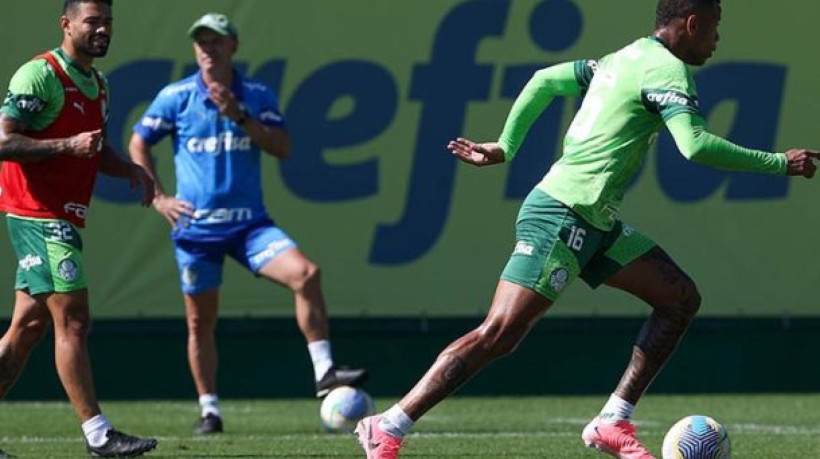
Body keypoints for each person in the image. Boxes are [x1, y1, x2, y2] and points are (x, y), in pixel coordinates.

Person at [355, 0, 819, 458]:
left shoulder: (620, 59)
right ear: (692, 23)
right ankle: (388, 425)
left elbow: (543, 81)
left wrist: (506, 145)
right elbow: (694, 146)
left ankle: (612, 422)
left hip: (594, 220)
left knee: (678, 298)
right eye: (714, 28)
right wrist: (780, 163)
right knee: (500, 332)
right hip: (561, 213)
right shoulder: (668, 72)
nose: (717, 40)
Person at [128, 13, 368, 435]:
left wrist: (239, 116)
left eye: (216, 41)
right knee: (200, 322)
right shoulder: (176, 96)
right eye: (200, 42)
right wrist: (158, 197)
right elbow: (138, 142)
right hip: (197, 232)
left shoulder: (255, 94)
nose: (208, 49)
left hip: (249, 227)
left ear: (233, 45)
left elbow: (283, 146)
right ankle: (210, 410)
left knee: (307, 274)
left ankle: (324, 372)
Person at [0, 0, 159, 457]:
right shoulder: (40, 74)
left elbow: (94, 148)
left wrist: (129, 168)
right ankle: (98, 434)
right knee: (72, 319)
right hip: (37, 214)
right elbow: (5, 139)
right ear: (66, 24)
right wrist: (67, 144)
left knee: (27, 330)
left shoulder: (99, 84)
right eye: (93, 21)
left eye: (108, 21)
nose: (103, 29)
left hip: (61, 214)